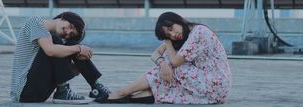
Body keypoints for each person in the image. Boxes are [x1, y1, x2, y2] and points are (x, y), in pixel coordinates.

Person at [96, 11, 231, 104]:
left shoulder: (199, 32)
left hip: (214, 83)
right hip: (211, 89)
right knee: (162, 74)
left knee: (171, 62)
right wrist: (162, 63)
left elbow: (175, 61)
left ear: (178, 20)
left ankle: (122, 92)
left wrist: (166, 43)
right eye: (168, 34)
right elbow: (154, 54)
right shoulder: (185, 36)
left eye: (172, 28)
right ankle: (129, 97)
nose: (173, 34)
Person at [10, 11, 110, 104]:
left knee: (69, 45)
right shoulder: (35, 22)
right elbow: (50, 50)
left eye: (71, 34)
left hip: (40, 93)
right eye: (70, 26)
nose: (68, 32)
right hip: (24, 92)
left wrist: (79, 64)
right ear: (63, 17)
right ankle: (63, 91)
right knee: (60, 43)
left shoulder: (53, 40)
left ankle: (96, 87)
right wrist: (78, 48)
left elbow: (64, 73)